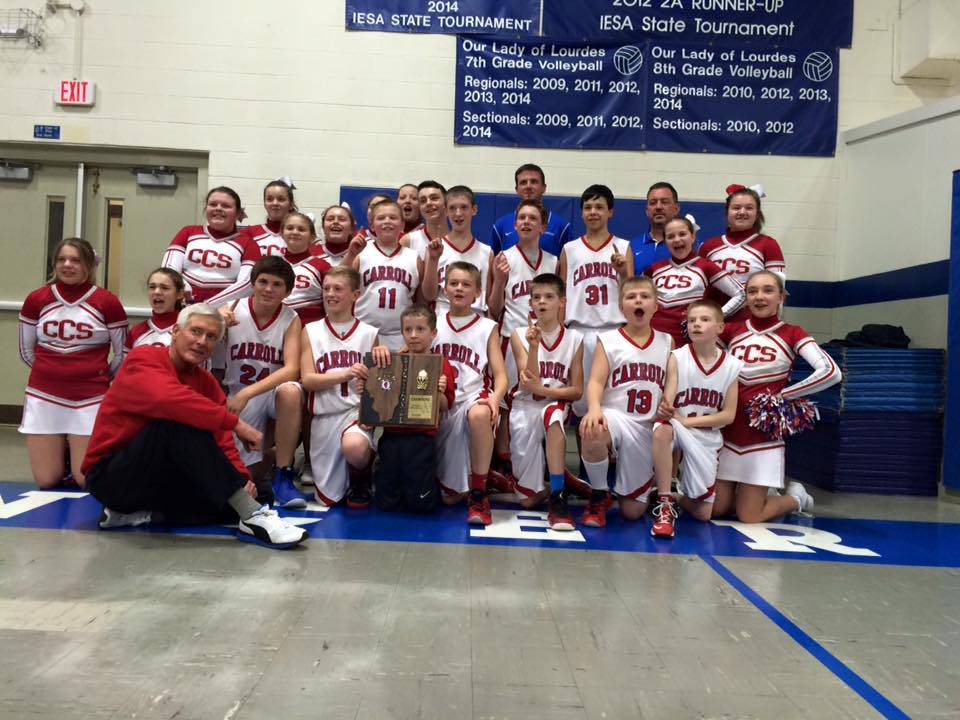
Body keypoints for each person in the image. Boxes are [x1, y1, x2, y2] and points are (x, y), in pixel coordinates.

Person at [81, 303, 307, 549]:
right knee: (176, 424)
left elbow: (222, 442)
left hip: (160, 480)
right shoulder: (143, 358)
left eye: (211, 337)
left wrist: (241, 479)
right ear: (175, 331)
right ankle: (252, 517)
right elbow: (168, 400)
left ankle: (140, 515)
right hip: (112, 476)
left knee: (260, 492)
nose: (202, 342)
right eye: (195, 332)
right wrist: (236, 424)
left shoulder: (207, 383)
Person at [716, 270, 841, 522]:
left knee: (749, 516)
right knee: (716, 509)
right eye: (752, 291)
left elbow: (830, 371)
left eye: (768, 290)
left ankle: (796, 497)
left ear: (781, 297)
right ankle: (748, 494)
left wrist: (782, 396)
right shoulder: (731, 330)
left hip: (762, 437)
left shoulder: (793, 333)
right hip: (727, 432)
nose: (759, 297)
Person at [19, 237, 127, 489]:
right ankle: (63, 456)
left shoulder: (107, 302)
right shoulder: (37, 299)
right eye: (61, 259)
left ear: (88, 264)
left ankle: (73, 456)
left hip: (89, 399)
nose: (67, 265)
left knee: (85, 479)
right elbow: (26, 351)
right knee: (47, 480)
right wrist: (51, 373)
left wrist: (99, 377)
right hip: (44, 396)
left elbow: (122, 354)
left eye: (75, 260)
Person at [579, 276, 671, 528]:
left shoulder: (667, 342)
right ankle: (599, 493)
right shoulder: (609, 340)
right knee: (592, 429)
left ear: (656, 305)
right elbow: (596, 381)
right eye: (631, 297)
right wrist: (594, 409)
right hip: (616, 415)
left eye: (645, 296)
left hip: (646, 425)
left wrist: (668, 402)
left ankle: (646, 490)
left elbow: (671, 383)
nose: (638, 301)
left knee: (632, 512)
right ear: (621, 307)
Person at [651, 300, 742, 538]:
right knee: (662, 430)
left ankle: (676, 497)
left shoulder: (731, 365)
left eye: (704, 320)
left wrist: (687, 422)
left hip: (705, 434)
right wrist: (666, 408)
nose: (696, 324)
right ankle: (664, 503)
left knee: (704, 513)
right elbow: (669, 401)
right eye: (691, 321)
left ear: (720, 328)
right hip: (676, 427)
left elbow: (728, 415)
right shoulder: (677, 357)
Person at [221, 256, 303, 508]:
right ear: (252, 284)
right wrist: (218, 322)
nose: (268, 289)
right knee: (245, 476)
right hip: (237, 392)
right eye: (263, 282)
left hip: (267, 393)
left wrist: (247, 394)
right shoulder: (231, 310)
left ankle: (284, 474)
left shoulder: (291, 318)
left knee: (291, 391)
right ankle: (268, 460)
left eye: (277, 284)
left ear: (287, 291)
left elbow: (292, 369)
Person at [487, 199, 558, 489]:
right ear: (514, 225)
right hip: (511, 337)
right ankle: (505, 463)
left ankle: (540, 462)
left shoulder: (553, 261)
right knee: (508, 403)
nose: (527, 222)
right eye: (522, 218)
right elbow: (493, 308)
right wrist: (499, 280)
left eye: (533, 218)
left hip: (546, 341)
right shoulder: (503, 258)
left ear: (543, 227)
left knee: (541, 399)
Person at [433, 262, 508, 525]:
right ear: (444, 289)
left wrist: (495, 398)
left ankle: (479, 492)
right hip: (441, 402)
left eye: (466, 285)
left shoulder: (487, 326)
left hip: (473, 396)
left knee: (480, 414)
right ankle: (478, 475)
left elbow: (501, 375)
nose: (459, 289)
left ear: (477, 293)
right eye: (453, 283)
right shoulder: (432, 324)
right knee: (449, 498)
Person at [362, 305, 456, 513]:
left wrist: (437, 392)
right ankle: (378, 470)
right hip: (391, 436)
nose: (413, 335)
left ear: (433, 333)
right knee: (386, 503)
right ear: (402, 332)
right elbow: (378, 393)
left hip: (421, 439)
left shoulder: (441, 364)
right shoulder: (392, 361)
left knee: (421, 506)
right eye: (408, 330)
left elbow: (445, 406)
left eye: (420, 329)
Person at [508, 273, 584, 529]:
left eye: (549, 297)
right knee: (527, 501)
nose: (542, 302)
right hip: (526, 404)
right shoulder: (519, 334)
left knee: (553, 415)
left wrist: (544, 390)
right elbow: (529, 382)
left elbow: (576, 391)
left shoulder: (575, 339)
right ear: (530, 303)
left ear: (562, 302)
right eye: (537, 297)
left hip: (556, 403)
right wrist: (533, 347)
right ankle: (560, 479)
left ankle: (558, 496)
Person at [300, 266, 379, 507]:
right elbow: (308, 380)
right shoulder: (310, 331)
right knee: (328, 500)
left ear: (355, 295)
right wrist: (345, 374)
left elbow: (376, 387)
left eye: (337, 289)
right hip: (324, 416)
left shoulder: (369, 333)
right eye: (326, 289)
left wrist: (369, 416)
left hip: (354, 414)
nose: (330, 294)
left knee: (354, 447)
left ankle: (362, 476)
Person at [557, 184, 632, 419]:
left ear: (610, 212)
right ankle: (583, 445)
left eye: (599, 207)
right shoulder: (569, 249)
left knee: (612, 400)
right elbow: (561, 297)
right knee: (581, 403)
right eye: (588, 207)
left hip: (613, 330)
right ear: (581, 213)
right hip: (579, 330)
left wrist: (623, 272)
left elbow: (631, 293)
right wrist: (560, 334)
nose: (593, 212)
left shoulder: (623, 247)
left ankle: (609, 444)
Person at [645, 216, 745, 347]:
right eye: (670, 236)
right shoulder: (654, 269)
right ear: (665, 241)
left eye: (682, 234)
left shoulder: (705, 266)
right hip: (655, 339)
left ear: (692, 237)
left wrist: (711, 318)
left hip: (689, 342)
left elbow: (741, 294)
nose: (677, 240)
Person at [162, 186, 262, 307]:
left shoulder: (249, 244)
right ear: (206, 209)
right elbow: (169, 270)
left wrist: (208, 306)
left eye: (226, 206)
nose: (218, 208)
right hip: (182, 306)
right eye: (213, 204)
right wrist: (185, 295)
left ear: (237, 213)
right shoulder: (188, 232)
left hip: (222, 311)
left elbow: (246, 284)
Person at [698, 184, 785, 321]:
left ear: (757, 214)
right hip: (711, 323)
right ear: (727, 213)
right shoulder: (708, 246)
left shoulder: (769, 245)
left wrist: (773, 324)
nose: (742, 212)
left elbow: (776, 290)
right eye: (736, 208)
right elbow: (698, 289)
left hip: (750, 324)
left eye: (749, 208)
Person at [353, 200, 422, 350]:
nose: (387, 221)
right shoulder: (361, 254)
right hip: (363, 332)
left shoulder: (414, 257)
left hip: (400, 336)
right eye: (381, 218)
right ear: (372, 225)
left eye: (393, 217)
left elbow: (422, 301)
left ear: (402, 225)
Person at [427, 185, 493, 314]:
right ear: (445, 211)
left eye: (464, 207)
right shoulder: (435, 248)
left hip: (475, 317)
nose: (458, 213)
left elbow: (487, 300)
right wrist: (433, 260)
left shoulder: (486, 252)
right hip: (442, 316)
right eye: (452, 208)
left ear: (474, 209)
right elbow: (429, 295)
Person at [489, 163, 571, 256]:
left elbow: (567, 261)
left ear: (544, 188)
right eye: (523, 182)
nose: (528, 186)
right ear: (517, 189)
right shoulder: (501, 225)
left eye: (534, 181)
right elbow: (493, 260)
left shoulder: (561, 226)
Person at [280, 211, 333, 326]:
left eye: (301, 229)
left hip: (311, 329)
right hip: (277, 327)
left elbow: (331, 302)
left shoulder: (323, 266)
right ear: (282, 233)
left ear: (312, 236)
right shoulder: (272, 264)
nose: (295, 232)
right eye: (290, 228)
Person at [629, 182, 686, 275]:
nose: (658, 207)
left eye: (664, 202)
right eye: (653, 203)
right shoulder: (631, 247)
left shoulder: (690, 245)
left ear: (676, 208)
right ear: (647, 211)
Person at [127, 267, 185, 349]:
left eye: (164, 288)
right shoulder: (135, 332)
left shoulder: (188, 332)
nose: (157, 292)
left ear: (180, 294)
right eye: (152, 287)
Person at [246, 178, 297, 257]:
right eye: (269, 199)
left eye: (281, 199)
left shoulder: (300, 234)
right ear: (264, 203)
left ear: (291, 204)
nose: (275, 203)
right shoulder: (249, 233)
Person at [402, 180, 447, 258]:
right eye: (423, 201)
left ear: (446, 203)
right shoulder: (408, 241)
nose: (428, 203)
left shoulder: (459, 241)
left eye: (434, 198)